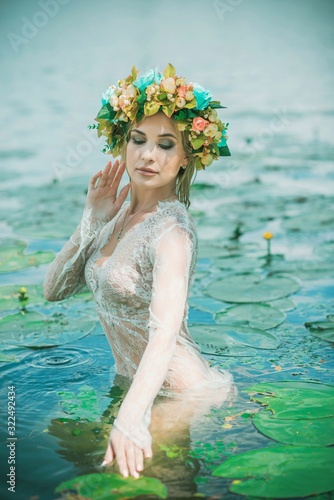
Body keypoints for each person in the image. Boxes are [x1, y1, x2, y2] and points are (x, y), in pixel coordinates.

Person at [43, 63, 235, 481]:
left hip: (182, 394)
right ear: (122, 144)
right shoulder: (115, 217)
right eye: (138, 139)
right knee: (55, 439)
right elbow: (53, 290)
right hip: (131, 383)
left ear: (186, 159)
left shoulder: (172, 232)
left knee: (132, 482)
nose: (149, 155)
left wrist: (131, 417)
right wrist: (91, 219)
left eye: (167, 145)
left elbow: (164, 333)